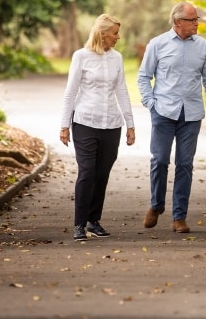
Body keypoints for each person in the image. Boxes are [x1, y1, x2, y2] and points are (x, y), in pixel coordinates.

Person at [137, 1, 206, 233]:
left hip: (191, 114)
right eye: (192, 20)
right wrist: (150, 103)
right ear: (177, 22)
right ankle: (156, 205)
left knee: (185, 164)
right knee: (160, 160)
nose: (196, 24)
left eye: (197, 20)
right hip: (163, 112)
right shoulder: (158, 44)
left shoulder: (202, 46)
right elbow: (143, 76)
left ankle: (179, 217)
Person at [59, 13, 136, 241]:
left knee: (102, 173)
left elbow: (122, 90)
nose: (118, 37)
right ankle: (79, 224)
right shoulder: (81, 57)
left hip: (111, 124)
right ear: (102, 34)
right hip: (85, 121)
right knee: (87, 172)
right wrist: (64, 125)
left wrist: (130, 124)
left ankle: (94, 220)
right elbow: (71, 92)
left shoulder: (117, 58)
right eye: (114, 33)